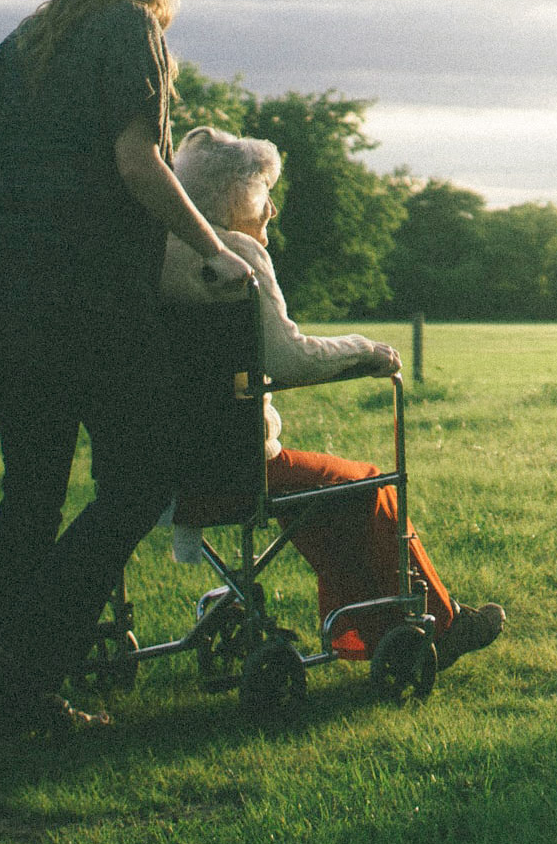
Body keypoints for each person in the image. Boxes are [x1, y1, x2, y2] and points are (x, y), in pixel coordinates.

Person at [0, 0, 253, 735]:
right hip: (84, 303)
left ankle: (16, 695)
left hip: (7, 292)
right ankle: (32, 652)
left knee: (31, 492)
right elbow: (139, 160)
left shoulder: (20, 42)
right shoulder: (131, 29)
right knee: (139, 479)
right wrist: (213, 248)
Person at [160, 127, 504, 667]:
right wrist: (364, 350)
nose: (271, 207)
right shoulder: (236, 255)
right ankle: (440, 623)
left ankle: (364, 634)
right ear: (233, 197)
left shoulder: (159, 253)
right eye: (263, 191)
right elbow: (288, 359)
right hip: (237, 466)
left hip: (164, 467)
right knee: (367, 485)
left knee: (326, 495)